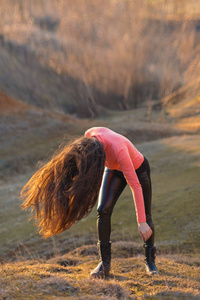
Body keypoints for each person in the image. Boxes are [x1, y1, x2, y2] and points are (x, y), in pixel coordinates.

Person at [21, 127, 158, 278]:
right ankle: (104, 264)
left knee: (146, 215)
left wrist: (141, 222)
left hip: (138, 170)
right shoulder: (89, 136)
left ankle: (150, 261)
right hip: (114, 170)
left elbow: (135, 186)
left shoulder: (119, 150)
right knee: (103, 210)